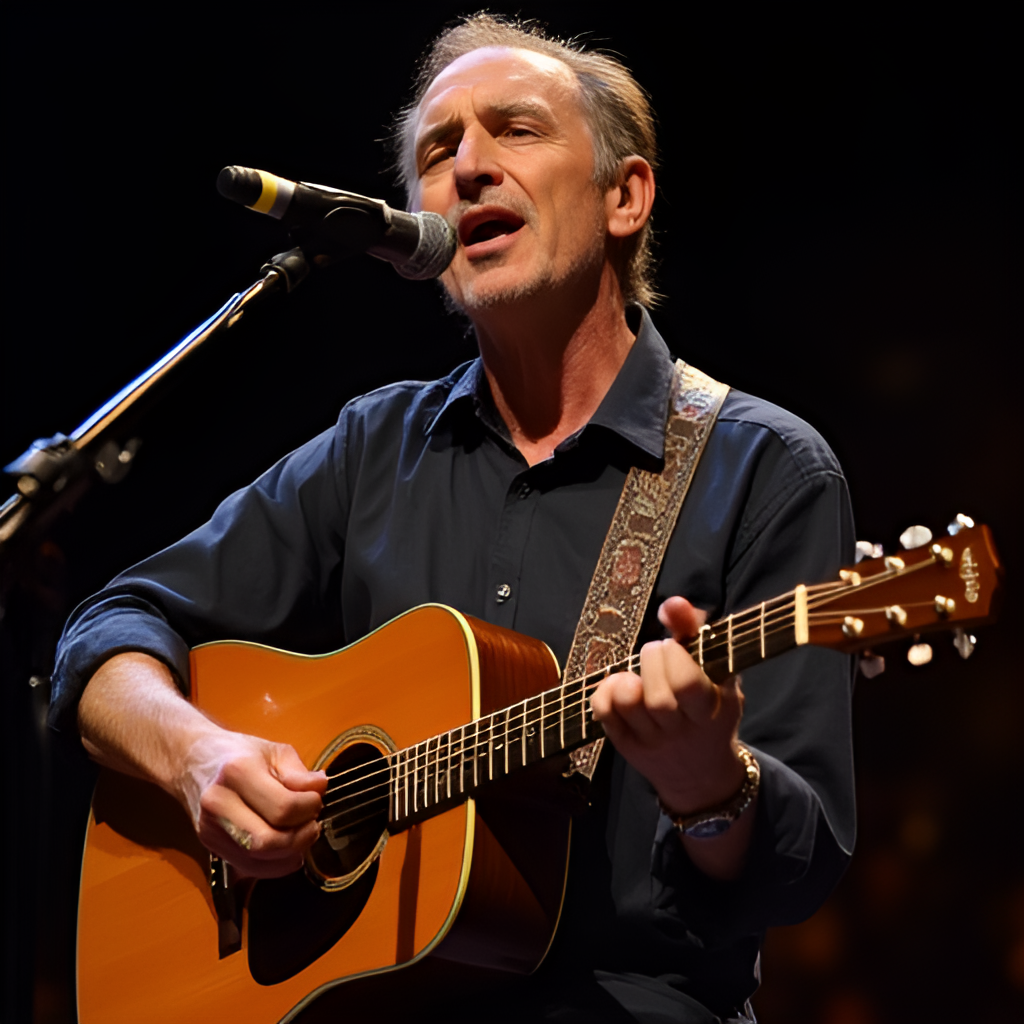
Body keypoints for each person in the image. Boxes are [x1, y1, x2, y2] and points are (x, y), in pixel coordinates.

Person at [52, 15, 856, 1024]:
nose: (468, 167)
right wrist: (198, 757)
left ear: (625, 195)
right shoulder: (371, 446)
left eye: (515, 130)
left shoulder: (767, 469)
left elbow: (797, 871)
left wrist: (712, 788)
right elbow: (108, 629)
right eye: (437, 151)